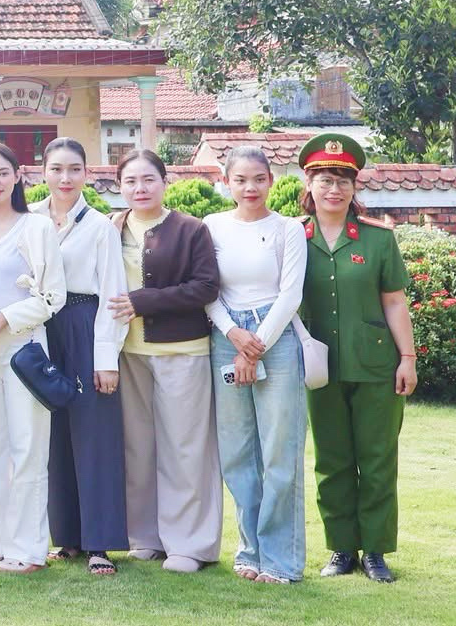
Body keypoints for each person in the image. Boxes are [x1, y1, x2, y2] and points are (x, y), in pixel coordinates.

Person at [297, 132, 415, 584]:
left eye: (344, 180)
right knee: (332, 460)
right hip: (318, 368)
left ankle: (376, 551)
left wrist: (408, 356)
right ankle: (342, 549)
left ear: (354, 187)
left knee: (378, 458)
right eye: (325, 179)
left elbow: (394, 303)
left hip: (376, 366)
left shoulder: (378, 239)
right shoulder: (293, 237)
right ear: (308, 184)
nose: (335, 189)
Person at [107, 149, 223, 574]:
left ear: (164, 182)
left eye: (148, 179)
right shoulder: (111, 228)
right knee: (138, 448)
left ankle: (190, 544)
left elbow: (206, 286)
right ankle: (145, 536)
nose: (139, 188)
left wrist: (144, 301)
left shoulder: (191, 229)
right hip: (128, 353)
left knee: (185, 449)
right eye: (130, 181)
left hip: (182, 352)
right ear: (119, 187)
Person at [0, 142, 65, 575]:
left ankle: (29, 547)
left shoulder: (35, 228)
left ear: (18, 176)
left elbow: (53, 296)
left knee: (28, 448)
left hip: (23, 349)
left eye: (2, 173)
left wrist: (4, 317)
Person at [205, 144, 309, 585]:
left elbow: (291, 294)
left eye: (259, 179)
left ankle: (280, 561)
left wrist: (256, 344)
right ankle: (249, 551)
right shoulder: (210, 227)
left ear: (271, 181)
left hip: (276, 336)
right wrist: (234, 336)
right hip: (225, 333)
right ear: (225, 182)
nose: (250, 188)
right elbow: (206, 288)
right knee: (238, 453)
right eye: (240, 179)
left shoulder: (288, 229)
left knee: (279, 452)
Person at [33, 138, 127, 577]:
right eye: (56, 169)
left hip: (86, 325)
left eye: (74, 169)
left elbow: (113, 292)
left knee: (95, 434)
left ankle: (100, 544)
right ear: (43, 172)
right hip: (41, 325)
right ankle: (66, 536)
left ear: (87, 174)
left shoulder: (99, 227)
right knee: (51, 435)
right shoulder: (30, 220)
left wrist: (105, 357)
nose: (65, 178)